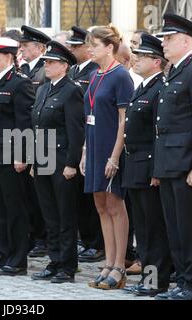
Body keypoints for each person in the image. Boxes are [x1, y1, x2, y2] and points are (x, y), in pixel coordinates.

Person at [154, 14, 192, 300]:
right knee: (174, 226)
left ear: (186, 41)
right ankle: (182, 282)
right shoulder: (175, 71)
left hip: (185, 164)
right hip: (168, 162)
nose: (163, 44)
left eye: (168, 39)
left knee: (189, 227)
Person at [79, 25, 134, 290]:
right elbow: (88, 117)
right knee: (100, 206)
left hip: (111, 147)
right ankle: (108, 262)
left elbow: (124, 121)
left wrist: (114, 156)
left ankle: (119, 265)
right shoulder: (93, 75)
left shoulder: (121, 76)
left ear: (109, 47)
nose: (90, 49)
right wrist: (85, 151)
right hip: (94, 145)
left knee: (115, 205)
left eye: (94, 45)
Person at [121, 34, 172, 297]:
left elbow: (157, 134)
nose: (136, 59)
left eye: (142, 56)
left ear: (156, 61)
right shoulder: (143, 87)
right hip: (134, 164)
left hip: (149, 166)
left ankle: (155, 281)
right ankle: (148, 279)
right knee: (142, 227)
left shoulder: (159, 89)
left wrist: (156, 171)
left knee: (153, 228)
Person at [0, 37, 35, 276]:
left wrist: (23, 155)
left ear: (10, 57)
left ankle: (18, 258)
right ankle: (1, 253)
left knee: (15, 208)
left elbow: (25, 123)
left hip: (11, 155)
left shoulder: (20, 83)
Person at [30, 41, 84, 283]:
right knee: (49, 214)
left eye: (50, 62)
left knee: (65, 214)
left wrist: (72, 163)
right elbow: (36, 127)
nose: (46, 66)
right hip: (43, 159)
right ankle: (54, 260)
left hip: (61, 159)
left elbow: (75, 130)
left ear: (64, 65)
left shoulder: (71, 90)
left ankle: (67, 265)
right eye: (45, 62)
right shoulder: (43, 89)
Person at [66, 26, 104, 264]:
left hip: (87, 133)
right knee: (79, 198)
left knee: (91, 197)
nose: (73, 49)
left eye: (77, 46)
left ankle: (96, 243)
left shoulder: (94, 71)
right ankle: (87, 239)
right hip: (76, 136)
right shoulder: (73, 70)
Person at [19, 25, 51, 258]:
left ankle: (43, 238)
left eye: (26, 45)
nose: (22, 48)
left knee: (40, 195)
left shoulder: (44, 70)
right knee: (26, 194)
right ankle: (31, 234)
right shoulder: (23, 69)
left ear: (40, 48)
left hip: (41, 138)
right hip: (23, 137)